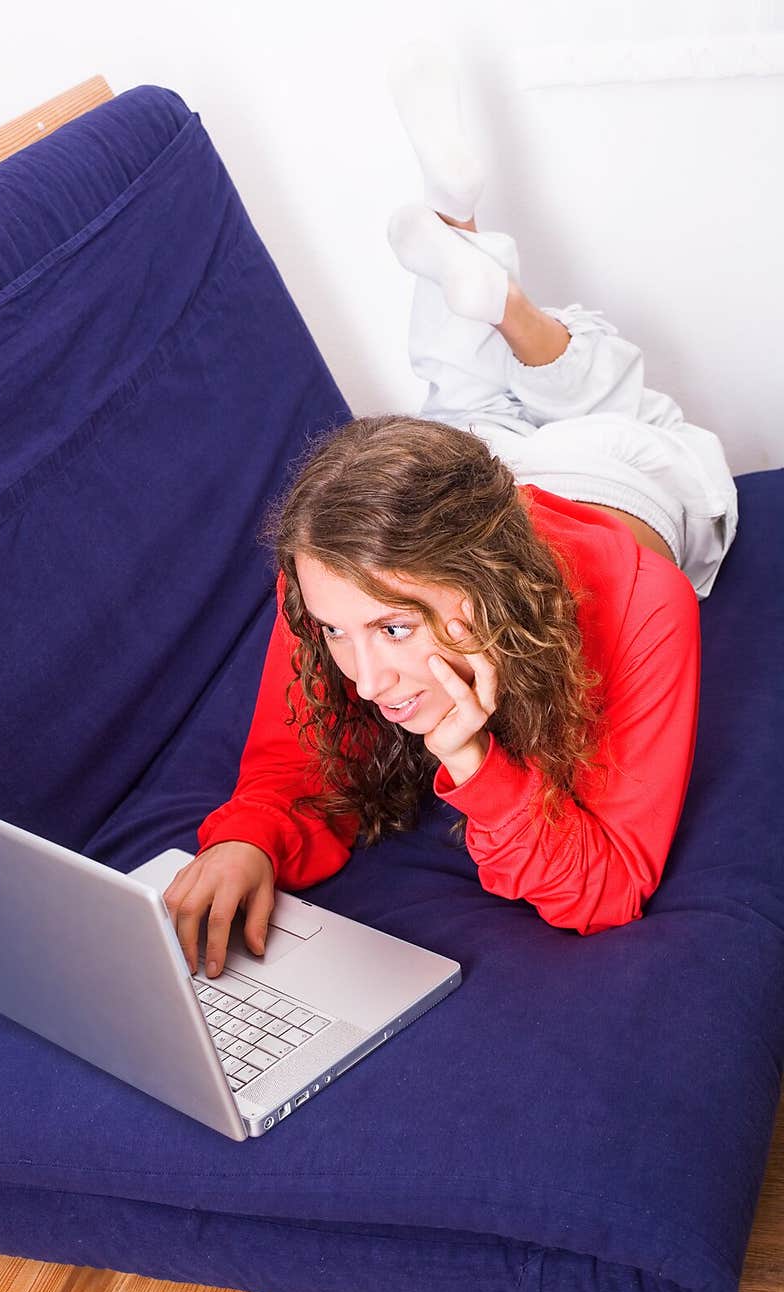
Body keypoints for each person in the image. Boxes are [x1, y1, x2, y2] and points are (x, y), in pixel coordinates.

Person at [164, 42, 738, 978]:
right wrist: (247, 840)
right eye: (338, 634)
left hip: (613, 479)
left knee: (625, 404)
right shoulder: (338, 571)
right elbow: (290, 763)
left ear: (482, 585)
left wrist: (474, 759)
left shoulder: (642, 603)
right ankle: (467, 243)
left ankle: (492, 282)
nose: (364, 676)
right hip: (488, 476)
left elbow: (603, 888)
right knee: (457, 409)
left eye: (392, 629)